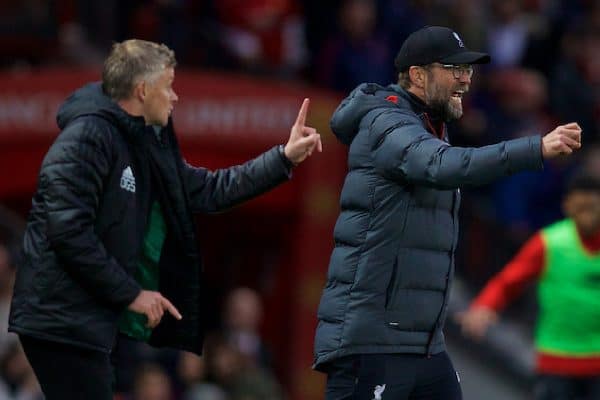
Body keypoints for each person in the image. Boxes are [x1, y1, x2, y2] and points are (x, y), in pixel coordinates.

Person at [8, 39, 321, 400]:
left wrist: (283, 158)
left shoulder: (143, 145)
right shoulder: (86, 139)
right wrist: (131, 294)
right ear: (142, 90)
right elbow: (67, 232)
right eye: (168, 86)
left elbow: (210, 190)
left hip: (89, 320)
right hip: (58, 319)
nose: (174, 97)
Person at [312, 25, 582, 400]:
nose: (466, 79)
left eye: (468, 70)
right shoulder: (386, 123)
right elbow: (442, 166)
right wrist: (535, 149)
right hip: (374, 342)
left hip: (421, 343)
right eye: (454, 68)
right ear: (419, 76)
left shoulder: (429, 126)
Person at [457, 171, 600, 400]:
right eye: (580, 208)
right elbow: (510, 280)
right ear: (567, 206)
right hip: (556, 360)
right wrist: (484, 306)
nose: (587, 216)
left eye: (592, 208)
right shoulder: (550, 243)